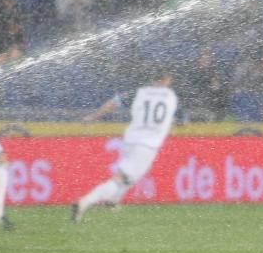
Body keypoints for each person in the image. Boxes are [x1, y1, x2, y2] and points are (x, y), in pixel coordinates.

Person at [72, 72, 181, 219]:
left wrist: (93, 117)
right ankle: (84, 202)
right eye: (169, 80)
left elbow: (113, 104)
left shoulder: (139, 93)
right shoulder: (170, 97)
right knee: (121, 179)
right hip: (147, 145)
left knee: (131, 176)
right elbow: (175, 118)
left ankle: (113, 200)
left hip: (131, 141)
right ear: (166, 80)